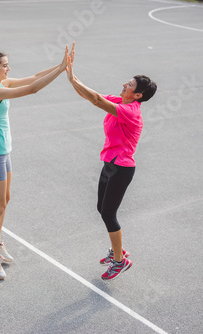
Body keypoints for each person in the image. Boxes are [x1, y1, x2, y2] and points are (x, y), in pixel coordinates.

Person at [0, 46, 69, 279]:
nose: (9, 68)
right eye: (5, 65)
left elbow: (34, 77)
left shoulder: (2, 84)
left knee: (5, 201)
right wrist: (63, 70)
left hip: (4, 152)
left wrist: (61, 64)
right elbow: (33, 88)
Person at [66, 42, 157, 280]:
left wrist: (72, 76)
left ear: (138, 95)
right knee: (101, 208)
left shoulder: (131, 111)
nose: (124, 85)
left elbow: (96, 100)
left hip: (121, 168)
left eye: (129, 85)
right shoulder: (120, 102)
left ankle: (120, 260)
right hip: (110, 164)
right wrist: (71, 77)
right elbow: (91, 96)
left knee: (109, 214)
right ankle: (118, 250)